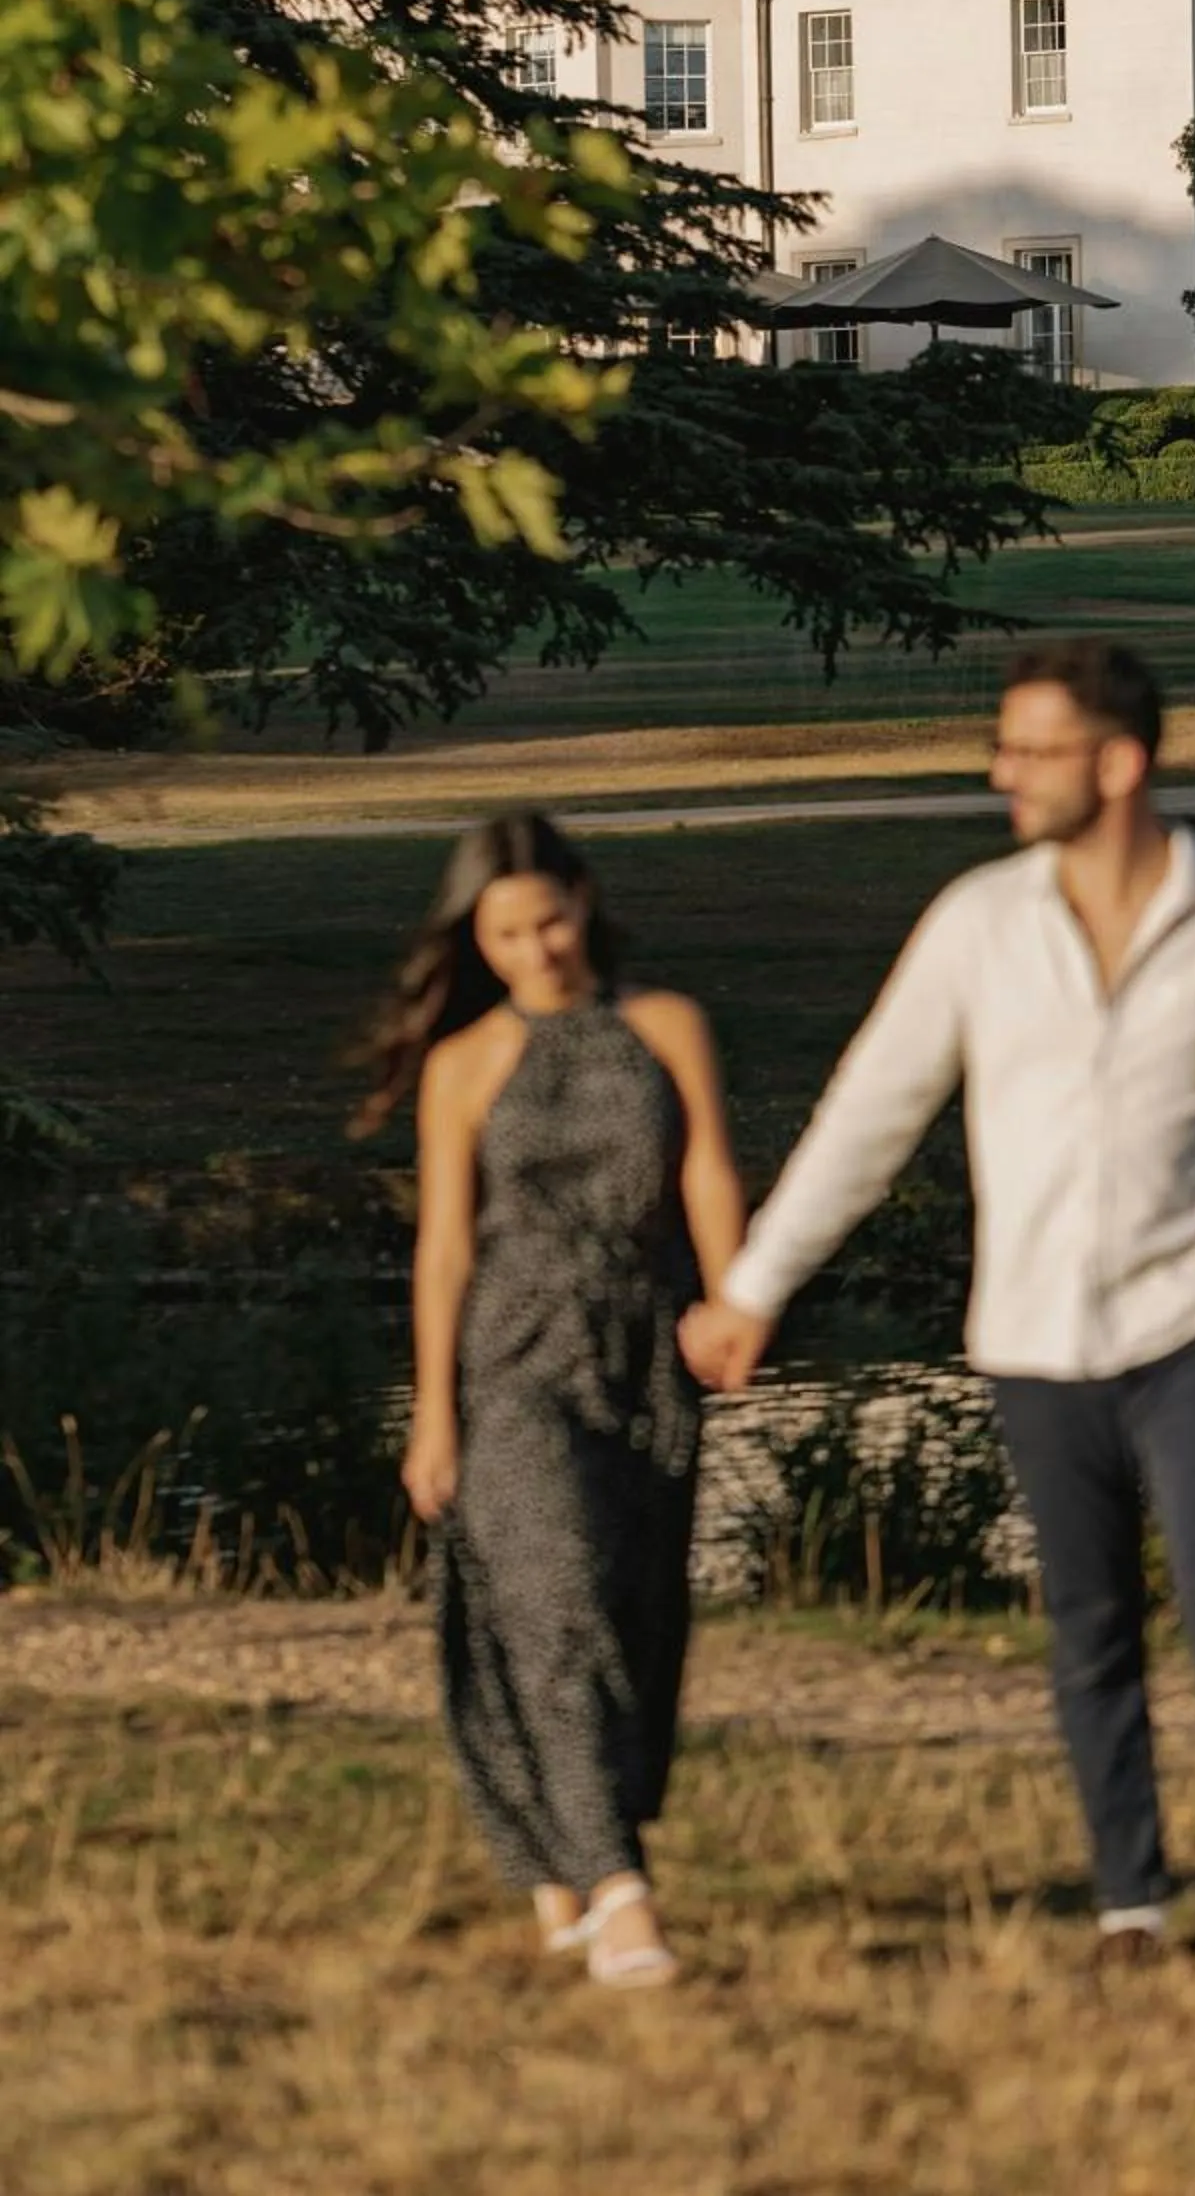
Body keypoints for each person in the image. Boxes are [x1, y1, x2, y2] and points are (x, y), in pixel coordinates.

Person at [679, 639, 1195, 1988]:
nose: (1000, 771)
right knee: (1089, 1619)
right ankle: (1129, 1904)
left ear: (1118, 765)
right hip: (1037, 1336)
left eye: (1031, 749)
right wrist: (755, 1289)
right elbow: (870, 1116)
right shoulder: (977, 924)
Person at [354, 810, 744, 1990]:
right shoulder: (465, 1062)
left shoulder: (664, 1024)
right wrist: (432, 1413)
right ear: (480, 937)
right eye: (507, 933)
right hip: (511, 1359)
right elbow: (443, 1252)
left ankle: (560, 1857)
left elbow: (706, 1170)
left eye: (551, 920)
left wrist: (733, 1301)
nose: (537, 950)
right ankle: (621, 1895)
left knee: (625, 1614)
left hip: (645, 1350)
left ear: (585, 899)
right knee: (552, 1595)